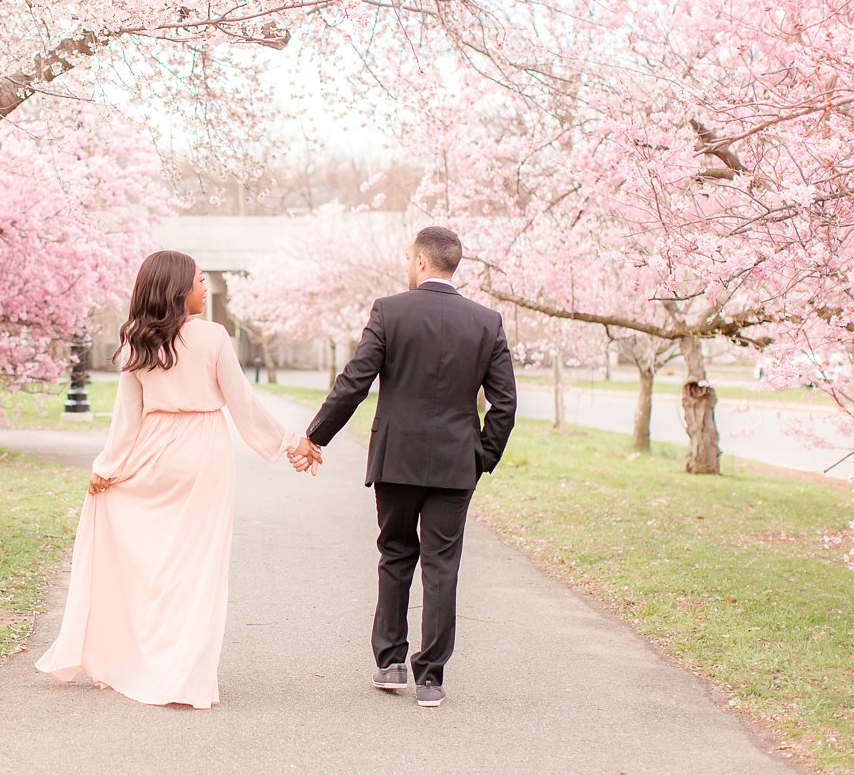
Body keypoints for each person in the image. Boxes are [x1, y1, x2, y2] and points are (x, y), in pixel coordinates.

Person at [35, 250, 313, 709]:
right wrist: (290, 443)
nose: (205, 287)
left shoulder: (134, 339)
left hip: (153, 446)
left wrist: (107, 468)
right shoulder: (213, 336)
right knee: (197, 566)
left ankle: (140, 657)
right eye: (200, 280)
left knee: (154, 560)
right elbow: (241, 403)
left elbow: (126, 419)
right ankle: (182, 672)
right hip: (203, 450)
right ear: (179, 288)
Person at [290, 226, 517, 708]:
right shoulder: (486, 322)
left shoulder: (389, 312)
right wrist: (482, 457)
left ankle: (391, 662)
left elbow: (355, 382)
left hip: (396, 458)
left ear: (418, 261)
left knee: (395, 554)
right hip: (457, 462)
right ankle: (431, 677)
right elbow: (505, 404)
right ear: (453, 264)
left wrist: (315, 437)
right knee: (442, 565)